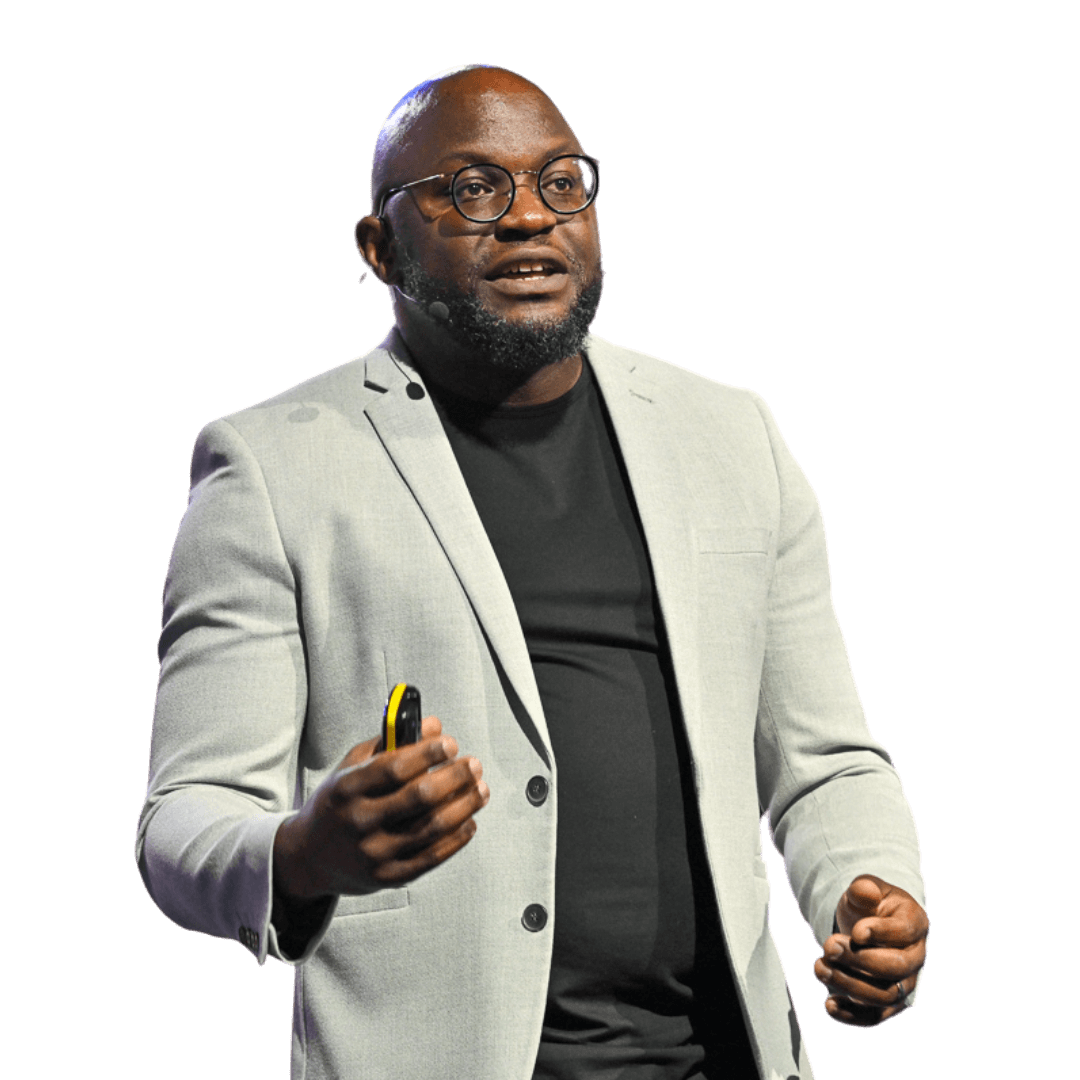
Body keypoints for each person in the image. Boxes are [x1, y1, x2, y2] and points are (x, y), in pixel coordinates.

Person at [136, 63, 929, 1079]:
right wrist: (303, 854)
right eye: (473, 188)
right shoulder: (272, 465)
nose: (527, 217)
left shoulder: (730, 433)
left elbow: (825, 762)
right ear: (378, 247)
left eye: (562, 182)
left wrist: (870, 890)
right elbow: (182, 824)